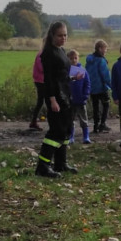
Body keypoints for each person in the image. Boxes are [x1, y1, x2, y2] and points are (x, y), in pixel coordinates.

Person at [34, 21, 78, 178]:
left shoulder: (61, 50)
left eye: (65, 35)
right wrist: (52, 100)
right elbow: (49, 80)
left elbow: (62, 75)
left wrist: (73, 78)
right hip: (56, 98)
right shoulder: (48, 54)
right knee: (55, 132)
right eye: (60, 35)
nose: (63, 38)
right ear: (52, 35)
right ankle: (43, 167)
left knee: (66, 130)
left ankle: (61, 163)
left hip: (66, 95)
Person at [84, 40, 113, 134]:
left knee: (95, 107)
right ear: (100, 49)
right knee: (106, 104)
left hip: (92, 88)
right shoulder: (101, 60)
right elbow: (106, 76)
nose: (106, 51)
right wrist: (112, 86)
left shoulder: (89, 60)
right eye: (105, 48)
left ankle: (95, 126)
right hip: (101, 88)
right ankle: (102, 124)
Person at [67, 49, 92, 145]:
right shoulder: (67, 71)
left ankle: (86, 137)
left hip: (81, 99)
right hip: (70, 100)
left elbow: (87, 83)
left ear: (78, 58)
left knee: (83, 119)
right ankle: (71, 137)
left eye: (75, 58)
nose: (73, 60)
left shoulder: (83, 70)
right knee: (70, 120)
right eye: (71, 58)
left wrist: (85, 95)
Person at [29, 38, 47, 130]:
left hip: (41, 80)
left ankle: (34, 121)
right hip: (41, 81)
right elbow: (42, 69)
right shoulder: (41, 55)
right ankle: (34, 121)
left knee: (41, 101)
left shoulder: (42, 54)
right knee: (42, 101)